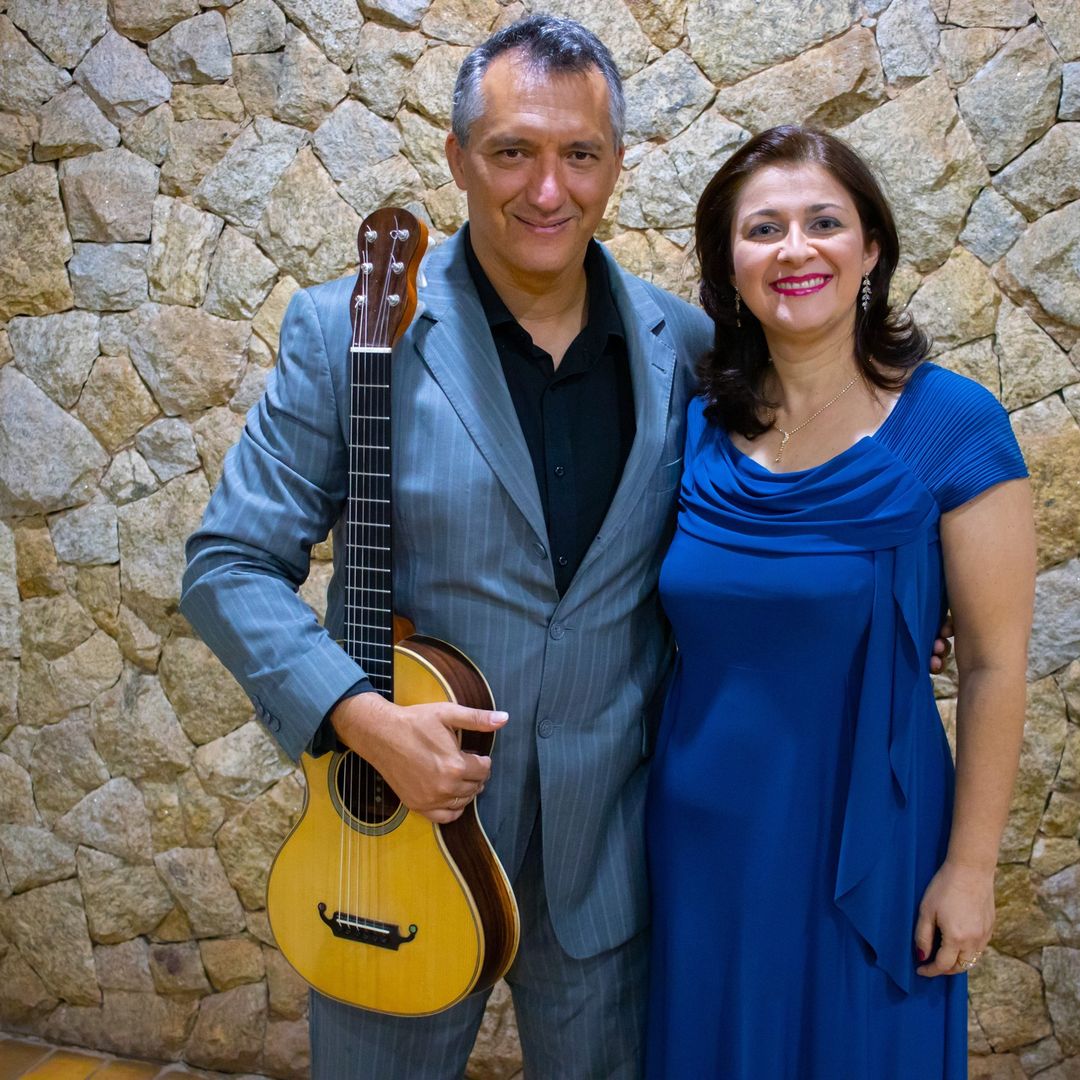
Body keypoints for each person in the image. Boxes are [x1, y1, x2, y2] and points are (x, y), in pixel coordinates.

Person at [180, 14, 713, 1078]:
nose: (547, 190)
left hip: (604, 862)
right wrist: (360, 720)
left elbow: (756, 534)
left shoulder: (684, 348)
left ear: (618, 165)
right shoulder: (348, 333)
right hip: (388, 859)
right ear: (459, 157)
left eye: (580, 154)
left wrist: (893, 610)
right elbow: (227, 565)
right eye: (513, 151)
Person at [644, 125, 1035, 1078]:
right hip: (703, 841)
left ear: (871, 248)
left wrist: (971, 869)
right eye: (762, 229)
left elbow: (992, 663)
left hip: (872, 841)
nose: (794, 249)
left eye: (824, 222)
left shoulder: (956, 425)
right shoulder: (695, 425)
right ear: (728, 265)